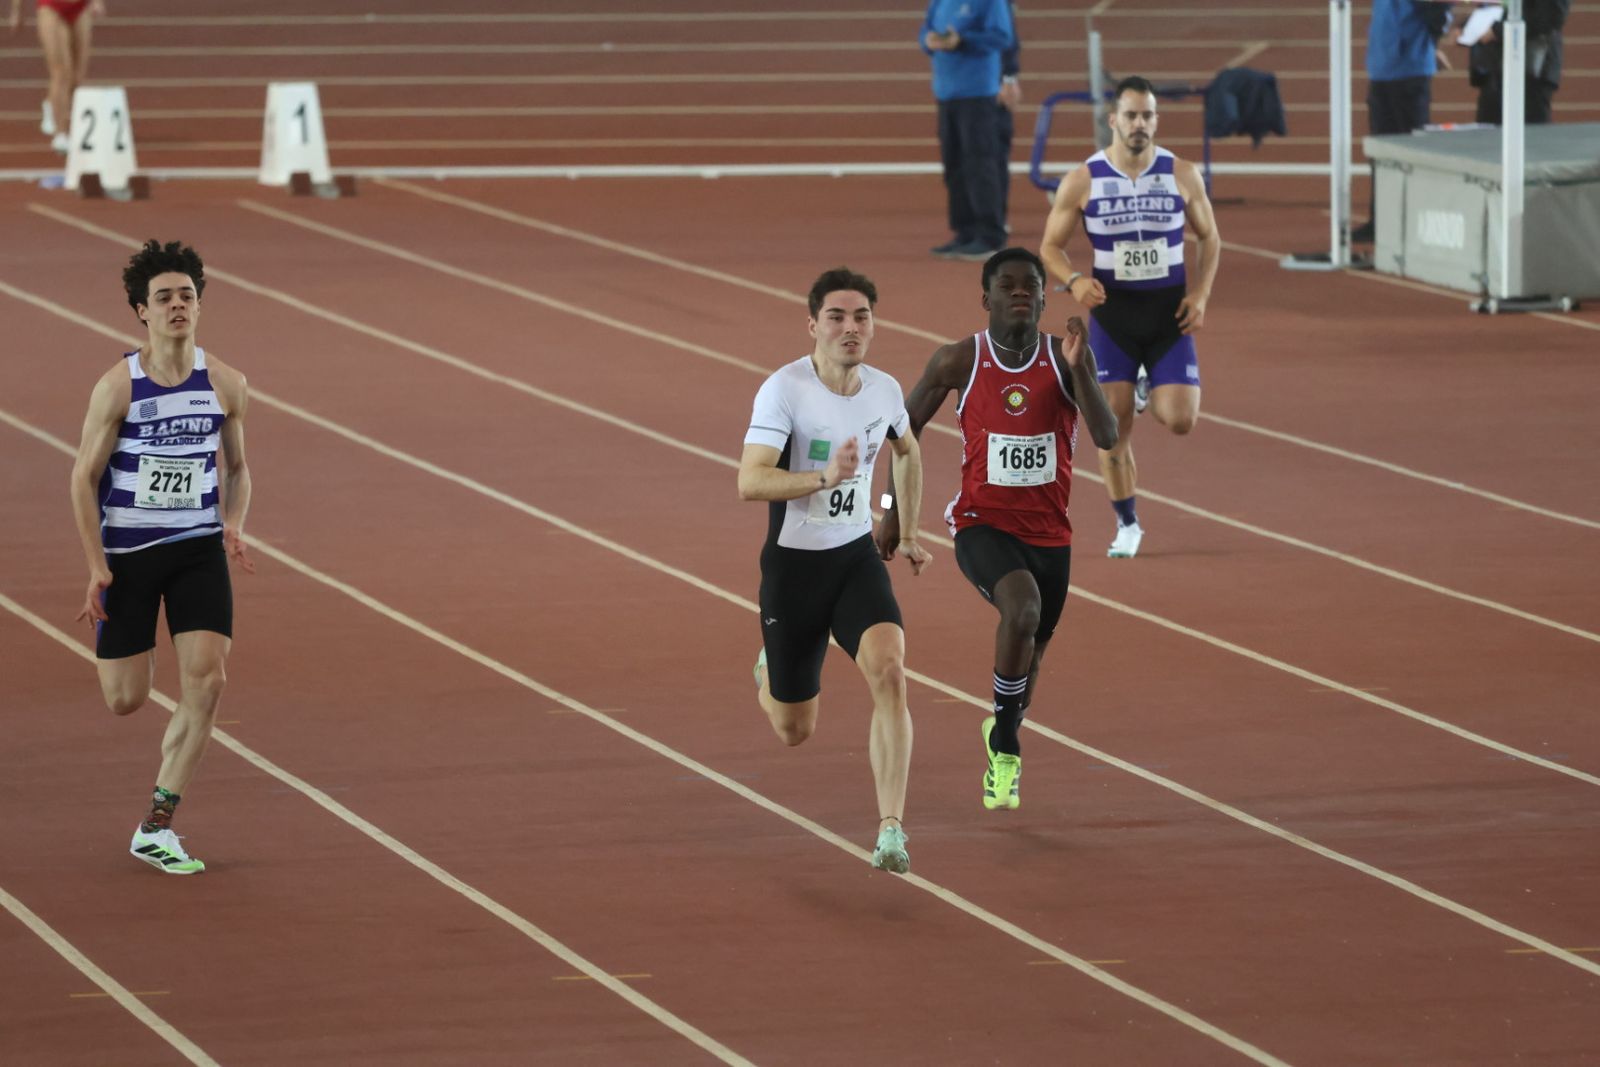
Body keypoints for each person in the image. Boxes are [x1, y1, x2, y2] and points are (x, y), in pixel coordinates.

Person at [877, 249, 1117, 810]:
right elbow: (901, 432)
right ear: (985, 299)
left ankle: (1001, 727)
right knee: (1022, 610)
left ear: (1041, 298)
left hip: (1050, 534)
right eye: (1006, 286)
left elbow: (1106, 437)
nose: (1019, 293)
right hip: (981, 524)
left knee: (1029, 657)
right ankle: (1007, 749)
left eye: (1030, 285)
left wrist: (1082, 368)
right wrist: (891, 508)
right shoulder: (958, 361)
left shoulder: (1065, 358)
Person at [738, 267, 933, 874]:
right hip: (794, 570)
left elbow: (907, 450)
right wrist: (823, 478)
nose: (851, 328)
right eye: (837, 317)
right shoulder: (784, 391)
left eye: (862, 317)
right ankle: (771, 667)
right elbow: (751, 481)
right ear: (813, 325)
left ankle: (891, 830)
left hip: (853, 561)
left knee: (892, 672)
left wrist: (905, 527)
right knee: (794, 729)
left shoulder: (884, 389)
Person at [68, 239, 253, 875]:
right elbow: (82, 477)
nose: (178, 306)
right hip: (129, 555)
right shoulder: (118, 386)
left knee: (208, 679)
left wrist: (232, 522)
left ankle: (157, 825)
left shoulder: (225, 382)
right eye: (164, 298)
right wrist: (96, 566)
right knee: (126, 698)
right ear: (140, 312)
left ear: (199, 306)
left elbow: (238, 466)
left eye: (187, 296)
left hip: (198, 549)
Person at [1039, 75, 1221, 559]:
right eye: (1132, 115)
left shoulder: (1181, 174)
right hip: (1114, 319)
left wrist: (1201, 294)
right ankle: (1128, 523)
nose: (1140, 124)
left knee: (1180, 420)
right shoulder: (1084, 179)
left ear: (1156, 120)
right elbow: (1049, 246)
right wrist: (1075, 281)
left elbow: (1211, 238)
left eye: (1148, 116)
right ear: (1113, 119)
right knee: (1111, 431)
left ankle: (1147, 387)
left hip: (1169, 317)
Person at [921, 0, 1016, 261]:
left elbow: (1002, 37)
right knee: (955, 166)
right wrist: (928, 41)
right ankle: (964, 231)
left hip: (978, 93)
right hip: (945, 92)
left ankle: (989, 235)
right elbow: (925, 30)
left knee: (980, 164)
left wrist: (961, 41)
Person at [1353, 0, 1455, 243]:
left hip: (1408, 71)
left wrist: (1429, 45)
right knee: (1381, 155)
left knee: (1412, 154)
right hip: (1382, 69)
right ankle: (1381, 220)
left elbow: (1439, 12)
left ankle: (1414, 220)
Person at [6, 0, 106, 154]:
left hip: (79, 7)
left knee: (78, 78)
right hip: (51, 7)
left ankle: (51, 102)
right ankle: (60, 134)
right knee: (61, 72)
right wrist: (17, 10)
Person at [1466, 0, 1569, 124]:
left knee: (1532, 130)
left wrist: (1499, 30)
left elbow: (1551, 16)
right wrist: (1468, 27)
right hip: (1496, 67)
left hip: (1531, 65)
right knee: (1489, 129)